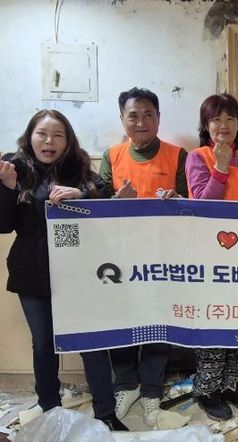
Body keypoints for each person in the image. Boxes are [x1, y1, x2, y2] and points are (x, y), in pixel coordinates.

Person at [0, 110, 127, 431]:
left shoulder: (79, 168)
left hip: (77, 271)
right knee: (43, 343)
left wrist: (80, 195)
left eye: (58, 135)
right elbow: (4, 225)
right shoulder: (13, 167)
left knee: (90, 341)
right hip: (32, 270)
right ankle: (50, 410)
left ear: (68, 140)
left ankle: (106, 412)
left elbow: (106, 200)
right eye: (42, 134)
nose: (49, 141)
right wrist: (9, 188)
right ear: (30, 136)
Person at [99, 87, 187, 426]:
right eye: (133, 115)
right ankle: (126, 384)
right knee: (120, 320)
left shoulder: (178, 155)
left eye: (148, 114)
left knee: (157, 320)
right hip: (120, 257)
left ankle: (151, 388)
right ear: (122, 119)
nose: (141, 122)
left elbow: (192, 204)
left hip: (163, 256)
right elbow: (96, 207)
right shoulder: (112, 156)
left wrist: (177, 200)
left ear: (158, 118)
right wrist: (115, 202)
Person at [185, 93, 238, 420]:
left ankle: (230, 384)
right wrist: (220, 167)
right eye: (216, 119)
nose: (224, 125)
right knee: (214, 322)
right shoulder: (197, 157)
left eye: (230, 118)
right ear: (206, 125)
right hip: (210, 256)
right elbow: (203, 205)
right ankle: (207, 390)